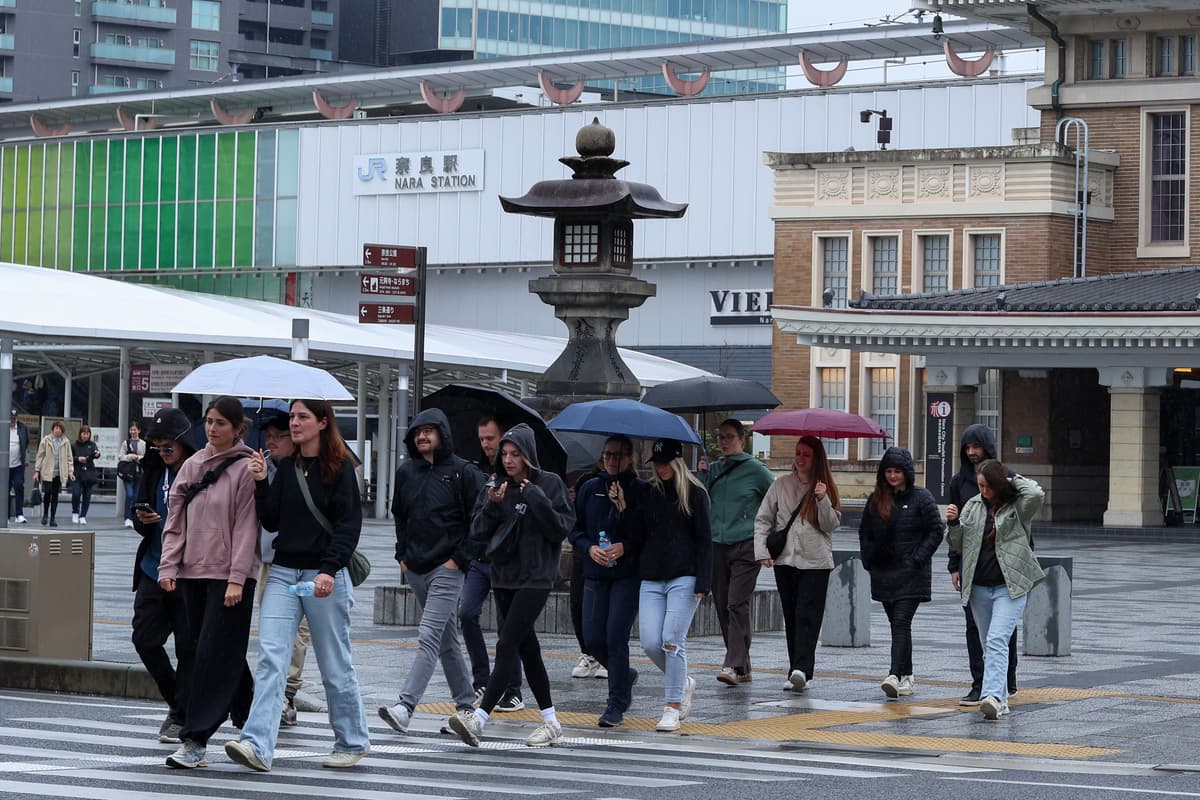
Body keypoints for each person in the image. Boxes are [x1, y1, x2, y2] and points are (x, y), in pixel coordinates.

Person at [225, 399, 370, 771]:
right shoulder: (288, 468)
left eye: (302, 416)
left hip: (324, 575)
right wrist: (262, 481)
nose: (294, 423)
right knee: (271, 658)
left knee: (334, 662)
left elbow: (348, 526)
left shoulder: (340, 467)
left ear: (322, 422)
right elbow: (272, 521)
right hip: (284, 573)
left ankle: (351, 741)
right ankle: (257, 744)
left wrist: (329, 569)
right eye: (292, 416)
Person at [448, 423, 575, 748]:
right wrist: (492, 505)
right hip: (503, 576)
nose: (508, 460)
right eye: (504, 454)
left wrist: (536, 499)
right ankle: (551, 722)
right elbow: (477, 533)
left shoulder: (549, 483)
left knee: (506, 644)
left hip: (536, 577)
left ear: (528, 455)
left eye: (515, 454)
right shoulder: (495, 485)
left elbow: (560, 529)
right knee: (527, 648)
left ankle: (479, 719)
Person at [157, 396, 259, 769]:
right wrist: (168, 566)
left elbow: (247, 527)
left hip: (229, 578)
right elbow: (174, 520)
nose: (213, 429)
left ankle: (195, 738)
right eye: (209, 421)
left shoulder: (247, 468)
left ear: (237, 429)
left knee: (210, 655)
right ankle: (252, 717)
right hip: (191, 573)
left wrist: (237, 578)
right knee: (214, 650)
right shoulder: (192, 465)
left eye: (221, 423)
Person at [379, 408, 485, 735]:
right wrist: (402, 555)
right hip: (415, 568)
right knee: (446, 640)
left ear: (442, 433)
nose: (422, 436)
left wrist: (459, 560)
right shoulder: (406, 472)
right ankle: (467, 708)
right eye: (417, 431)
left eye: (429, 430)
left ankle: (405, 706)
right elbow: (399, 515)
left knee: (428, 636)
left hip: (447, 569)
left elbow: (481, 521)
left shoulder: (464, 472)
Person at [621, 438, 711, 733]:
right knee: (650, 642)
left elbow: (704, 540)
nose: (660, 469)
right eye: (656, 464)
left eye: (664, 463)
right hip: (651, 577)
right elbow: (636, 534)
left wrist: (704, 580)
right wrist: (623, 508)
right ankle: (683, 681)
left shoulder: (695, 494)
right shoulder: (649, 493)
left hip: (684, 576)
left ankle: (672, 705)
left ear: (677, 462)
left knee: (672, 640)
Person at [947, 460, 1044, 721]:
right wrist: (953, 524)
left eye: (988, 486)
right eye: (980, 485)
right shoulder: (973, 505)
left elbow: (1036, 493)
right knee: (988, 644)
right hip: (979, 586)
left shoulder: (1018, 506)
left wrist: (1013, 480)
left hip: (1009, 586)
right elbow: (957, 543)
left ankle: (993, 696)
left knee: (997, 639)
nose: (983, 490)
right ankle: (999, 699)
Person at [568, 434, 647, 727]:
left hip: (626, 575)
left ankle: (615, 703)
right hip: (595, 572)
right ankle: (624, 674)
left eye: (618, 455)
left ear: (629, 459)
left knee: (615, 637)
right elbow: (574, 529)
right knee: (592, 639)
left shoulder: (640, 490)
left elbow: (645, 533)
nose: (611, 460)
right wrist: (589, 547)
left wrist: (624, 539)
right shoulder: (590, 488)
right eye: (607, 454)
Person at [131, 408, 199, 744]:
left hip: (189, 572)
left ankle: (181, 716)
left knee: (187, 647)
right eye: (156, 445)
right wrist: (141, 518)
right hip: (153, 568)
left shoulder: (201, 471)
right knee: (144, 639)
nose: (162, 450)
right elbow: (139, 510)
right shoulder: (154, 468)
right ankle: (176, 701)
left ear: (184, 441)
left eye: (168, 444)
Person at [753, 435, 841, 693]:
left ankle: (802, 668)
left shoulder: (825, 487)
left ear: (816, 459)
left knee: (807, 615)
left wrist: (823, 499)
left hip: (816, 562)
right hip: (785, 560)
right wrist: (761, 551)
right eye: (798, 453)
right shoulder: (780, 484)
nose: (800, 458)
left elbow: (830, 525)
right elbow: (763, 519)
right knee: (791, 616)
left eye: (806, 454)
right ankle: (796, 670)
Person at [858, 447, 945, 699]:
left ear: (906, 472)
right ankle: (907, 675)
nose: (893, 476)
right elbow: (865, 532)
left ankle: (894, 675)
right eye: (888, 471)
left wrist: (917, 559)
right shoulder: (876, 500)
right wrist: (868, 559)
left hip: (911, 574)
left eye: (897, 471)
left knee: (901, 622)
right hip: (884, 572)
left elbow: (936, 531)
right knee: (897, 626)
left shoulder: (922, 497)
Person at [946, 424, 1020, 705]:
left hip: (1003, 564)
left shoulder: (1007, 477)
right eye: (967, 447)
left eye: (976, 446)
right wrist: (954, 565)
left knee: (1003, 630)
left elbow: (1024, 520)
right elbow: (955, 529)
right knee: (973, 627)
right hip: (972, 566)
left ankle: (1006, 680)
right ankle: (979, 682)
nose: (971, 452)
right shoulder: (958, 483)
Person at [458, 415, 527, 711]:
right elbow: (475, 518)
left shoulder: (520, 478)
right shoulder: (477, 472)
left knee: (506, 626)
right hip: (479, 558)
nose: (486, 444)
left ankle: (512, 688)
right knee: (467, 613)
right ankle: (483, 680)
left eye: (491, 438)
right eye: (482, 439)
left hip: (505, 561)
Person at [704, 419, 774, 686]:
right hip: (717, 544)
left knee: (736, 603)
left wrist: (767, 539)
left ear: (742, 440)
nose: (724, 442)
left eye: (729, 437)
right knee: (723, 605)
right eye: (720, 437)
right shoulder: (712, 470)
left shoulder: (756, 470)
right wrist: (701, 474)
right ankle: (742, 666)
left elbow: (774, 501)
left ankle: (732, 664)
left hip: (746, 545)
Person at [257, 412, 311, 727]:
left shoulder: (309, 468)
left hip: (305, 564)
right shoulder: (262, 466)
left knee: (299, 631)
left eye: (279, 436)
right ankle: (273, 695)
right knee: (272, 631)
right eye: (269, 436)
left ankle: (287, 695)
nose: (272, 442)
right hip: (268, 561)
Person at [33, 420, 74, 527]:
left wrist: (70, 471)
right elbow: (40, 456)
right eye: (56, 428)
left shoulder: (66, 442)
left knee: (55, 495)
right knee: (47, 493)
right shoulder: (46, 440)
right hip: (47, 472)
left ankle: (53, 518)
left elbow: (69, 458)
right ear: (52, 429)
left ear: (62, 431)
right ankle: (45, 514)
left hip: (59, 473)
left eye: (59, 428)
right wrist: (37, 470)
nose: (58, 430)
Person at [70, 424, 100, 525]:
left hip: (88, 473)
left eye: (87, 434)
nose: (85, 435)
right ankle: (75, 512)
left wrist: (97, 454)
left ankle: (83, 515)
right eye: (84, 433)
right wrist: (78, 459)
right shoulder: (74, 445)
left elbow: (96, 454)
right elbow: (69, 458)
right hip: (76, 473)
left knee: (87, 495)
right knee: (76, 493)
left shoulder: (92, 444)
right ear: (80, 434)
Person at [120, 422, 148, 528]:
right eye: (131, 429)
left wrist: (138, 457)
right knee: (130, 495)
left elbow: (146, 457)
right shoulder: (125, 443)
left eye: (134, 429)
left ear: (139, 431)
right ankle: (127, 518)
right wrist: (129, 456)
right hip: (128, 473)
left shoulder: (143, 444)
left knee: (136, 497)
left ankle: (132, 517)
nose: (132, 431)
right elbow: (120, 456)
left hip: (139, 473)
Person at [8, 409, 29, 523]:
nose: (12, 420)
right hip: (4, 466)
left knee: (19, 486)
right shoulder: (3, 426)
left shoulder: (22, 427)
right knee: (5, 489)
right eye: (11, 418)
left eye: (14, 418)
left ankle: (19, 514)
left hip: (18, 464)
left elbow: (26, 442)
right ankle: (5, 515)